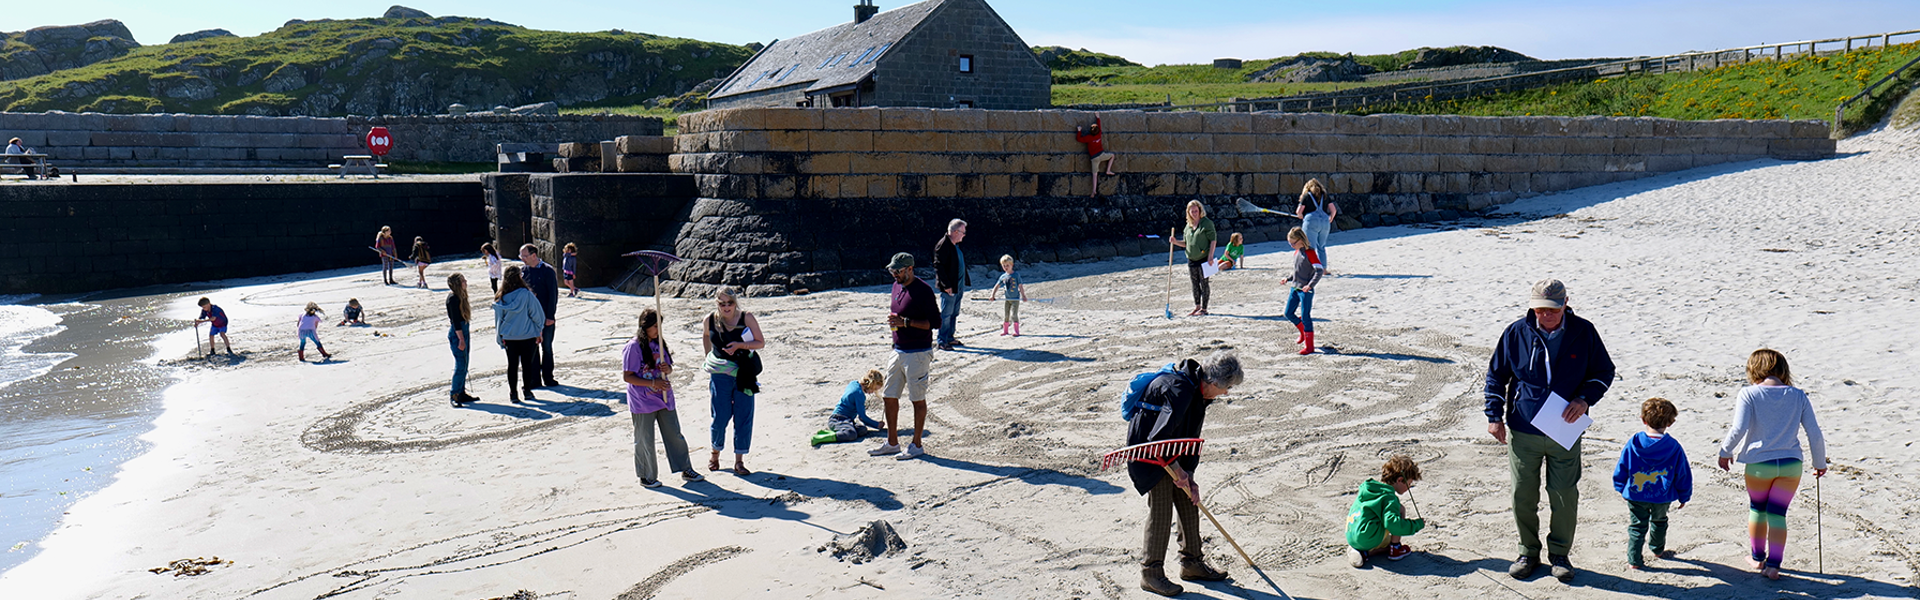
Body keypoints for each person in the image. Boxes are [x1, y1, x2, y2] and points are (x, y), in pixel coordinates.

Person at [1484, 278, 1615, 582]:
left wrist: (1584, 400)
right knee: (1522, 495)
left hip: (1565, 431)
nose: (1546, 315)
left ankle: (1560, 554)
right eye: (1540, 309)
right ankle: (1527, 552)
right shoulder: (1516, 332)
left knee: (1564, 496)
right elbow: (1495, 377)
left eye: (1553, 309)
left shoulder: (1584, 331)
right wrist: (1494, 417)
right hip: (1523, 429)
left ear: (1566, 303)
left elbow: (1604, 372)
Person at [1127, 351, 1242, 597]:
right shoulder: (1179, 390)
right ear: (1213, 383)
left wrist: (1188, 474)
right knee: (1161, 510)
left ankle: (1191, 564)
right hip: (1147, 454)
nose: (1226, 393)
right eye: (1227, 388)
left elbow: (1189, 435)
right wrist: (1177, 470)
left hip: (1170, 452)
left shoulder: (1197, 390)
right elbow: (1158, 439)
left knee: (1189, 501)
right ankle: (1151, 573)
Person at [1717, 349, 1827, 581]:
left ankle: (1758, 558)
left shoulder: (1749, 394)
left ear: (1754, 369)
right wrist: (1819, 462)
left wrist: (1726, 451)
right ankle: (1774, 566)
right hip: (1790, 464)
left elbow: (1739, 428)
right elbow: (1814, 433)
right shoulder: (1798, 395)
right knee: (1778, 514)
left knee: (1758, 509)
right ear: (1782, 370)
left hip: (1759, 464)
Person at [625, 308, 702, 487]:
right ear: (645, 327)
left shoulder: (659, 343)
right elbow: (628, 376)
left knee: (674, 434)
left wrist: (668, 370)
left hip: (664, 397)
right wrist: (653, 384)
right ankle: (646, 476)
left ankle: (685, 468)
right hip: (642, 401)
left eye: (660, 325)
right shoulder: (633, 347)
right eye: (655, 326)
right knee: (645, 439)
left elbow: (668, 367)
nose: (658, 329)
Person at [1612, 397, 1692, 570]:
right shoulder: (1674, 446)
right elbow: (1682, 473)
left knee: (1637, 526)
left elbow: (1622, 465)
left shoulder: (1634, 443)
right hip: (1662, 496)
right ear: (1670, 423)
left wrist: (1621, 486)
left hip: (1635, 493)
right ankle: (1657, 549)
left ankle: (1634, 560)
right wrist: (1684, 495)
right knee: (1659, 521)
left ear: (1643, 419)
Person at [874, 252, 940, 461]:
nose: (895, 274)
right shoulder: (896, 286)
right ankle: (892, 443)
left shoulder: (924, 291)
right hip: (898, 349)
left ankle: (916, 445)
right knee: (889, 395)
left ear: (910, 269)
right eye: (893, 270)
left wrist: (905, 322)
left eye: (898, 271)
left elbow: (935, 323)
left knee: (917, 399)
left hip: (918, 353)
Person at [703, 287, 765, 475]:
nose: (726, 307)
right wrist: (708, 357)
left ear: (735, 302)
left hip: (744, 372)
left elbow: (760, 342)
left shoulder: (746, 317)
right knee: (720, 416)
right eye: (722, 303)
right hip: (720, 374)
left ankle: (739, 461)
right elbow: (706, 336)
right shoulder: (710, 320)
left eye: (730, 303)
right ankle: (715, 454)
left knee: (743, 416)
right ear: (717, 304)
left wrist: (740, 345)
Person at [1345, 455, 1427, 568]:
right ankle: (1394, 549)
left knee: (1398, 510)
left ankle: (1357, 549)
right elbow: (1393, 524)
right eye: (1409, 483)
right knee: (1399, 511)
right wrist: (1417, 524)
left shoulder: (1371, 489)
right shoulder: (1389, 498)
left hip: (1351, 533)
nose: (1409, 487)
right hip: (1367, 538)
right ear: (1400, 480)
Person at [491, 265, 546, 404]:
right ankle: (527, 391)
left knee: (512, 365)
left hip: (509, 336)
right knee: (527, 365)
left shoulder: (501, 297)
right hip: (527, 335)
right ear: (519, 277)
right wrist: (539, 330)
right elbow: (537, 315)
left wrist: (499, 337)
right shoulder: (527, 295)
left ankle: (513, 394)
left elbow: (498, 320)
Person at [517, 244, 561, 387]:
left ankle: (548, 377)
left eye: (524, 256)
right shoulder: (524, 271)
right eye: (521, 256)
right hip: (530, 318)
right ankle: (535, 379)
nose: (522, 259)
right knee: (532, 348)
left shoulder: (547, 271)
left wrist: (550, 316)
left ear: (534, 255)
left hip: (546, 317)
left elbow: (553, 295)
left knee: (546, 347)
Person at [1168, 200, 1217, 316]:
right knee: (1194, 284)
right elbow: (1186, 243)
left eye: (1196, 211)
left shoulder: (1206, 223)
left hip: (1204, 258)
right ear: (1188, 212)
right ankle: (1197, 306)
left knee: (1204, 283)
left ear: (1200, 211)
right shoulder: (1188, 226)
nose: (1194, 213)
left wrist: (1210, 256)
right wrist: (1175, 242)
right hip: (1191, 259)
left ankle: (1204, 309)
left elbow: (1213, 240)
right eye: (1192, 211)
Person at [1280, 227, 1324, 355]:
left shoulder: (1310, 253)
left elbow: (1319, 271)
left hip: (1306, 290)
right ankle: (1302, 331)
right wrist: (1287, 278)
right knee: (1288, 313)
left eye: (1293, 243)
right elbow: (1297, 271)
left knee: (1306, 316)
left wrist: (1310, 285)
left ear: (1301, 240)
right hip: (1295, 287)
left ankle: (1310, 347)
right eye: (1290, 243)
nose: (1292, 245)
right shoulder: (1296, 252)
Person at [812, 370, 886, 446]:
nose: (873, 392)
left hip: (845, 419)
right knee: (851, 434)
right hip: (838, 419)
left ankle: (830, 432)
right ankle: (820, 438)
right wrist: (877, 425)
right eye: (874, 389)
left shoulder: (854, 383)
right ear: (871, 384)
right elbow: (862, 417)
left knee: (862, 430)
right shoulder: (859, 394)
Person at [932, 218, 970, 351]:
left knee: (954, 312)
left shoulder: (954, 245)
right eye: (962, 232)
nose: (964, 235)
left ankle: (949, 337)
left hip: (958, 285)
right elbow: (938, 266)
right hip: (950, 286)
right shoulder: (943, 245)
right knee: (946, 314)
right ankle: (942, 340)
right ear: (955, 231)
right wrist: (946, 285)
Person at [447, 274, 477, 407]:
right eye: (463, 281)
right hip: (458, 333)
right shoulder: (453, 299)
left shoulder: (461, 296)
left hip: (463, 330)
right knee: (460, 364)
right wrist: (461, 339)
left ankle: (461, 392)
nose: (466, 282)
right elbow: (455, 322)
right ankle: (454, 394)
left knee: (465, 363)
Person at [1295, 178, 1337, 270]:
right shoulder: (1325, 196)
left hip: (1311, 222)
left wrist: (1300, 215)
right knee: (1321, 246)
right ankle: (1324, 269)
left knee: (1310, 246)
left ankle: (1312, 268)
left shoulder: (1306, 196)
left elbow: (1298, 211)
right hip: (1325, 222)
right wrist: (1330, 218)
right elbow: (1333, 210)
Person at [1075, 117, 1117, 197]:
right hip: (1101, 155)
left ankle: (1094, 190)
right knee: (1112, 155)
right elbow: (1099, 127)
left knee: (1095, 174)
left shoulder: (1088, 138)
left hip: (1094, 158)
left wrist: (1079, 131)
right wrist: (1098, 117)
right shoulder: (1099, 135)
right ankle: (1108, 170)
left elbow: (1079, 139)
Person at [987, 254, 1026, 337]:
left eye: (1007, 265)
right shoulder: (1003, 276)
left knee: (1014, 315)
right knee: (1006, 315)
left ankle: (1016, 331)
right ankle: (1005, 330)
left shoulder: (1016, 275)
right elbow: (997, 286)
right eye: (1004, 266)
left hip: (1015, 299)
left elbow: (1020, 286)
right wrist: (992, 295)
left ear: (1012, 265)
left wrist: (1023, 296)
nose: (1005, 267)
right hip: (1007, 299)